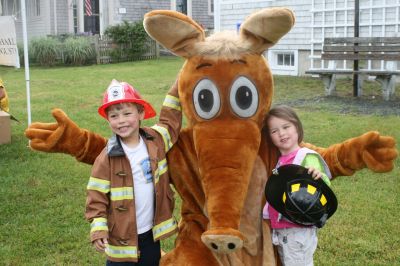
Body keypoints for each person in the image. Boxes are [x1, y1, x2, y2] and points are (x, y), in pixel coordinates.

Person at [85, 79, 182, 265]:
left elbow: (170, 121)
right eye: (114, 116)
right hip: (120, 240)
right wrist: (98, 229)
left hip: (150, 236)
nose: (121, 121)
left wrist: (180, 84)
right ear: (108, 120)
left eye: (127, 113)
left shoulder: (156, 140)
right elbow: (96, 195)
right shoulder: (106, 158)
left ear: (141, 113)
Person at [262, 105, 332, 266]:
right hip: (283, 230)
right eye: (274, 131)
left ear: (297, 127)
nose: (281, 133)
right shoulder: (280, 160)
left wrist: (318, 175)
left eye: (286, 127)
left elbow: (325, 187)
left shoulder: (306, 156)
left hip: (297, 230)